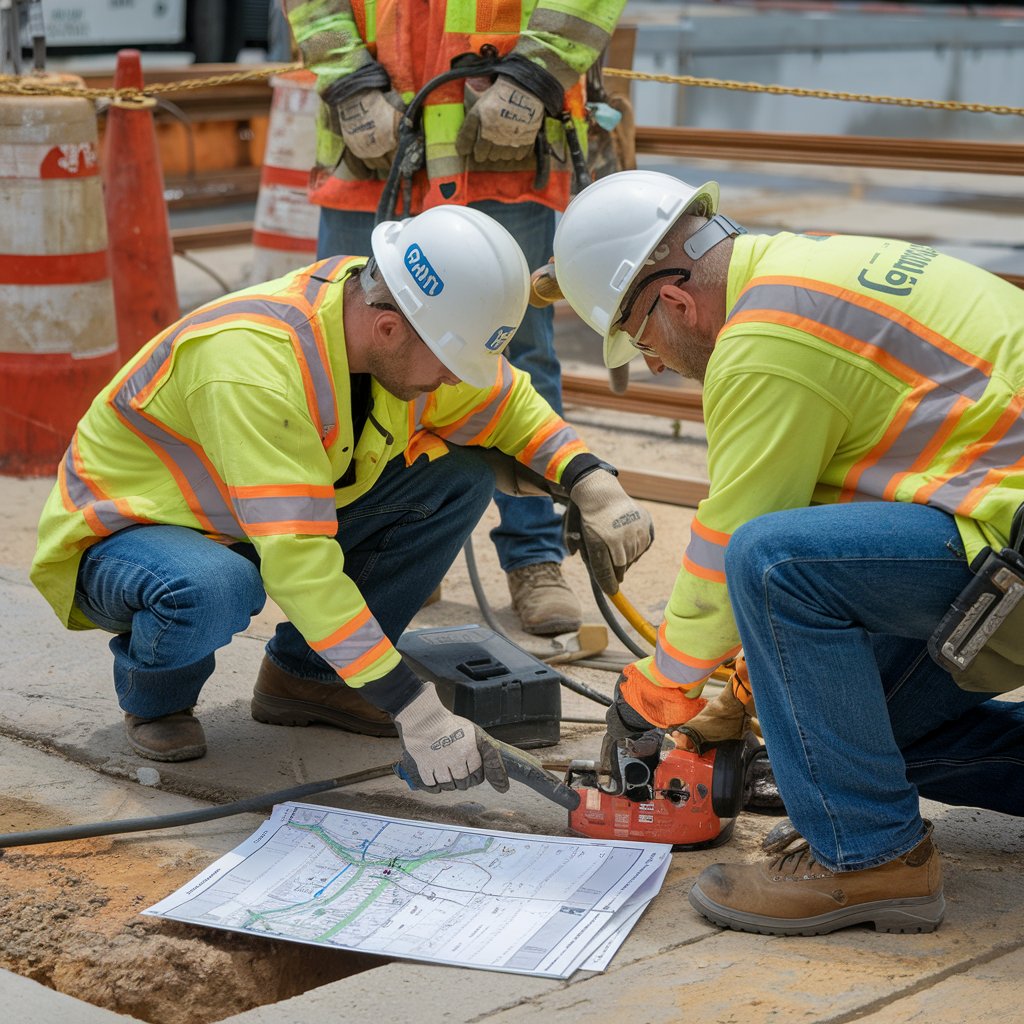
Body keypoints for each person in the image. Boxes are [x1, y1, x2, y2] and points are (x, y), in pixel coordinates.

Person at [30, 205, 653, 795]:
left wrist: (589, 479)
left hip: (240, 521)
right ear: (388, 328)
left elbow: (506, 403)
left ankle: (309, 680)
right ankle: (156, 699)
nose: (454, 382)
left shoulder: (394, 325)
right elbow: (298, 562)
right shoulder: (253, 365)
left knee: (458, 477)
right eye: (450, 365)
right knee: (216, 585)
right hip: (130, 537)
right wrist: (413, 708)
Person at [551, 169, 1024, 936]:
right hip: (998, 529)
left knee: (767, 561)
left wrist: (659, 692)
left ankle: (868, 857)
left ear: (673, 301)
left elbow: (742, 543)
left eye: (642, 343)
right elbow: (840, 529)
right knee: (858, 731)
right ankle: (854, 808)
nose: (656, 365)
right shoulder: (799, 272)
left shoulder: (764, 341)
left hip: (1006, 540)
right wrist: (745, 691)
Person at [281, 0, 628, 637]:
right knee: (353, 340)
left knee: (514, 350)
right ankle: (388, 540)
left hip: (500, 138)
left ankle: (534, 559)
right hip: (373, 141)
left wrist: (535, 72)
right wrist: (349, 80)